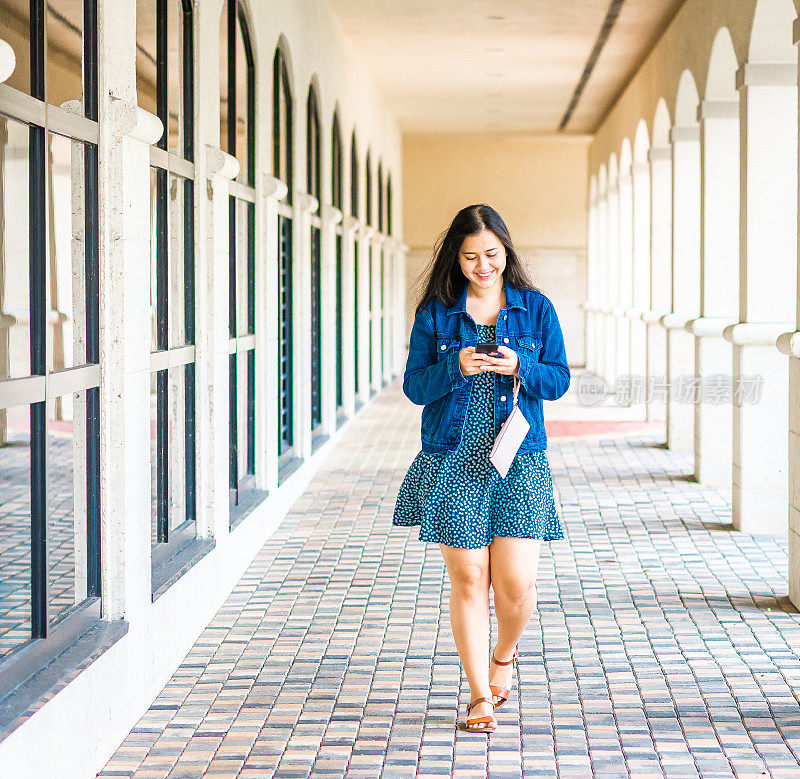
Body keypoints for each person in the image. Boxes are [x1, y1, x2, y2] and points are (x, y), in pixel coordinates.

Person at [392, 204, 570, 733]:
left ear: (505, 252)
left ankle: (504, 655)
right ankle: (477, 696)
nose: (482, 265)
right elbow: (414, 387)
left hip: (518, 461)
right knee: (469, 579)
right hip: (454, 459)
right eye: (471, 256)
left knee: (515, 584)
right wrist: (455, 365)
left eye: (491, 254)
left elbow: (558, 382)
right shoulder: (437, 314)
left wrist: (523, 365)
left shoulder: (536, 309)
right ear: (457, 257)